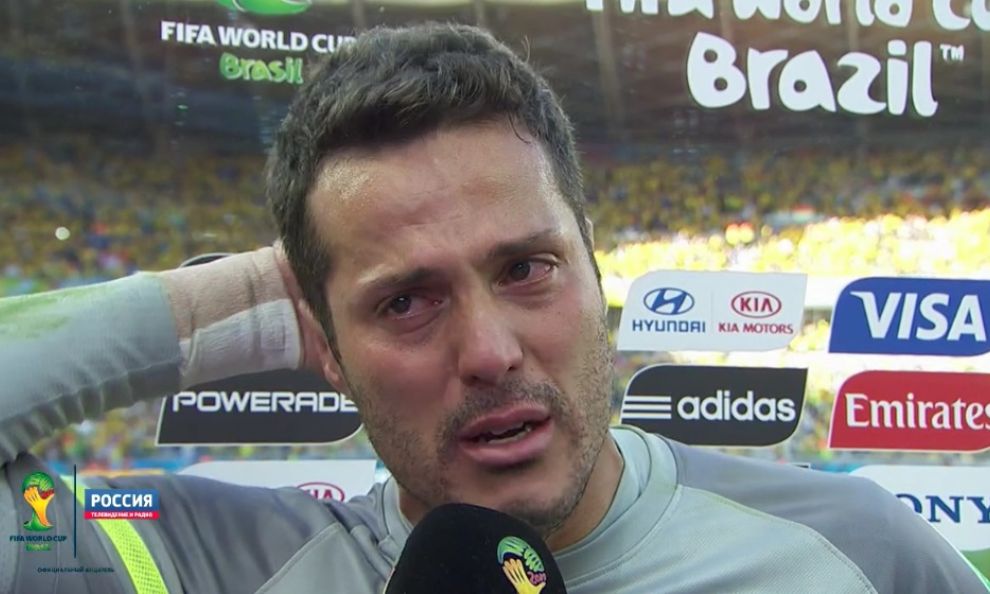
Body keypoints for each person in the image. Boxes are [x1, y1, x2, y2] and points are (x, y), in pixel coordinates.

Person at [0, 22, 987, 594]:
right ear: (325, 345)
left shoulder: (858, 551)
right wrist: (240, 297)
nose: (489, 351)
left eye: (526, 268)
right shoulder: (215, 562)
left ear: (594, 266)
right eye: (405, 301)